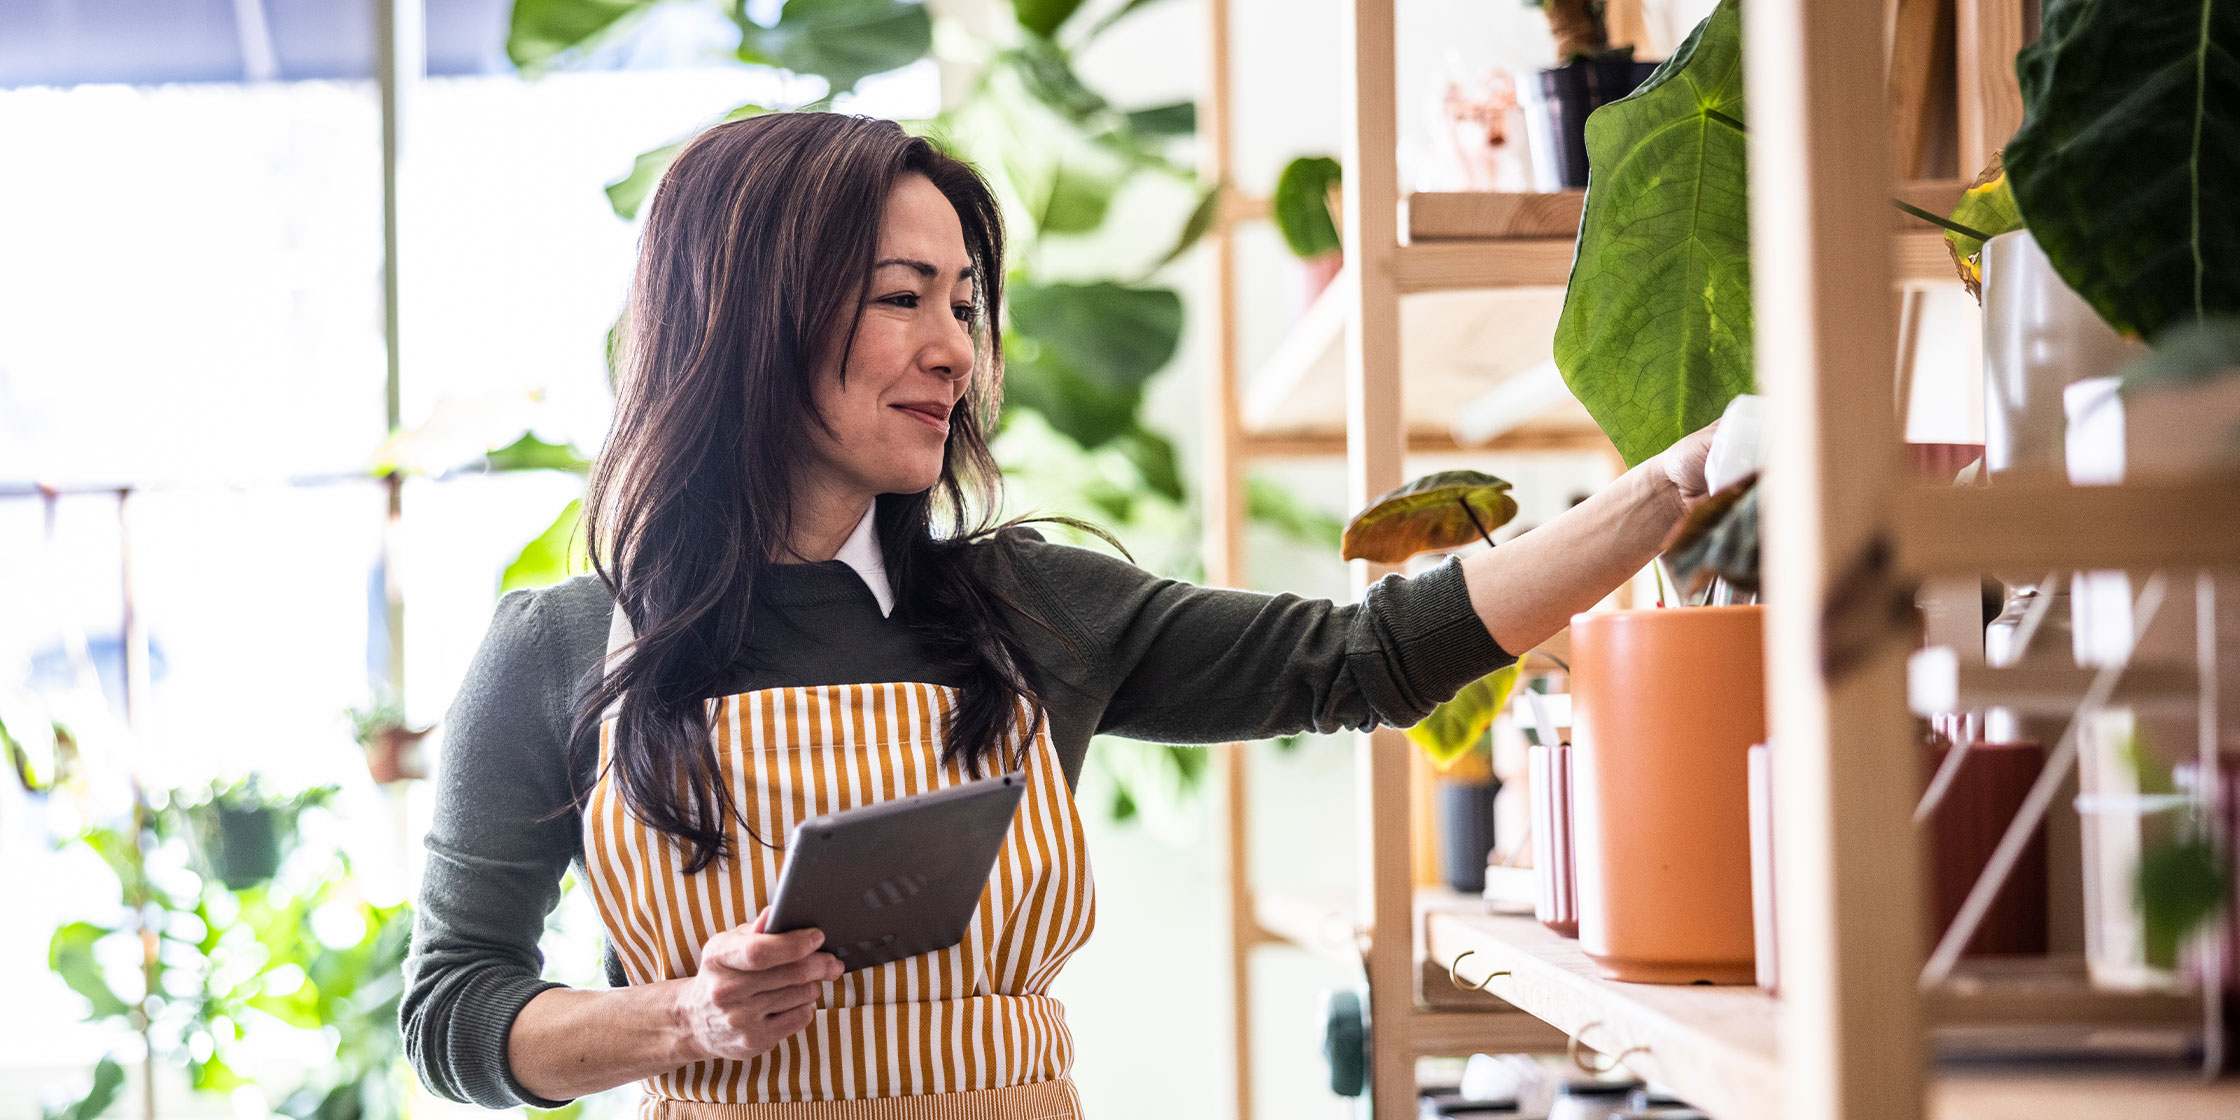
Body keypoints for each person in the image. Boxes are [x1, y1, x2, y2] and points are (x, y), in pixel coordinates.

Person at [399, 112, 1712, 1119]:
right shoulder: (562, 650)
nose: (957, 348)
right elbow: (455, 1008)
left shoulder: (1030, 611)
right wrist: (681, 1020)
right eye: (902, 296)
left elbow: (1356, 659)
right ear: (748, 315)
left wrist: (1671, 489)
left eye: (964, 302)